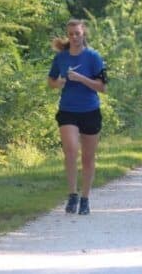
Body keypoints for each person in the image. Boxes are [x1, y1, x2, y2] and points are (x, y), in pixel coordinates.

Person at [48, 19, 108, 215]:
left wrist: (81, 78)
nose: (74, 37)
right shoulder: (61, 58)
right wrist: (60, 83)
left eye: (77, 34)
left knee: (88, 158)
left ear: (84, 35)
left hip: (90, 110)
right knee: (71, 150)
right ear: (68, 36)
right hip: (68, 110)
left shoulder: (93, 57)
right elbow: (51, 81)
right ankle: (72, 195)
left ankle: (85, 198)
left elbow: (103, 87)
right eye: (71, 34)